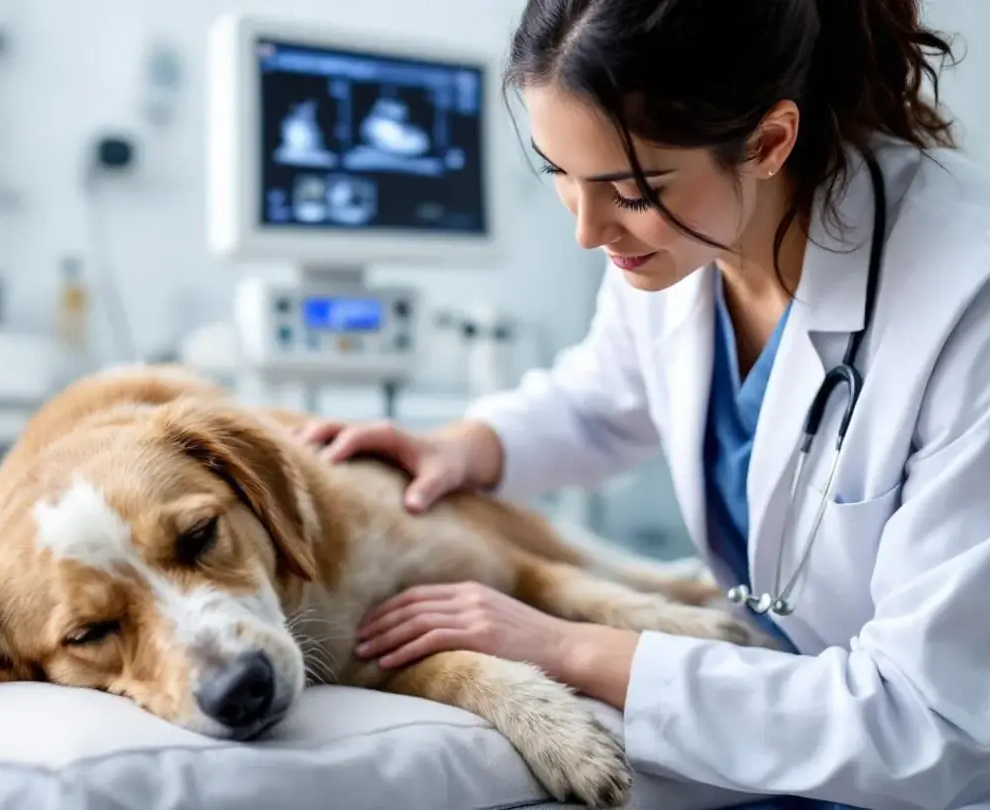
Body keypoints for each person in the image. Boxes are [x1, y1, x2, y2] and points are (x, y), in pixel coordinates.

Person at [298, 1, 990, 808]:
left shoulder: (964, 304)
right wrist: (463, 444)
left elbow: (931, 723)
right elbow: (602, 396)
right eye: (559, 171)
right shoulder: (684, 238)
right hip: (777, 716)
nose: (589, 231)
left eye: (628, 189)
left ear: (769, 142)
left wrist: (569, 646)